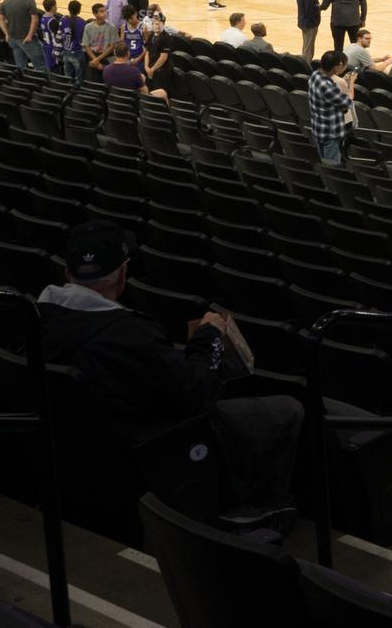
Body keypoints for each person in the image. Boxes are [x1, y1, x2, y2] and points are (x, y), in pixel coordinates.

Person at [37, 223, 301, 532]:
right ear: (123, 275)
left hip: (85, 452)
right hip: (157, 440)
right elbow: (195, 393)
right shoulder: (129, 334)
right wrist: (210, 336)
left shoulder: (36, 319)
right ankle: (256, 507)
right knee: (289, 409)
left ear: (69, 275)